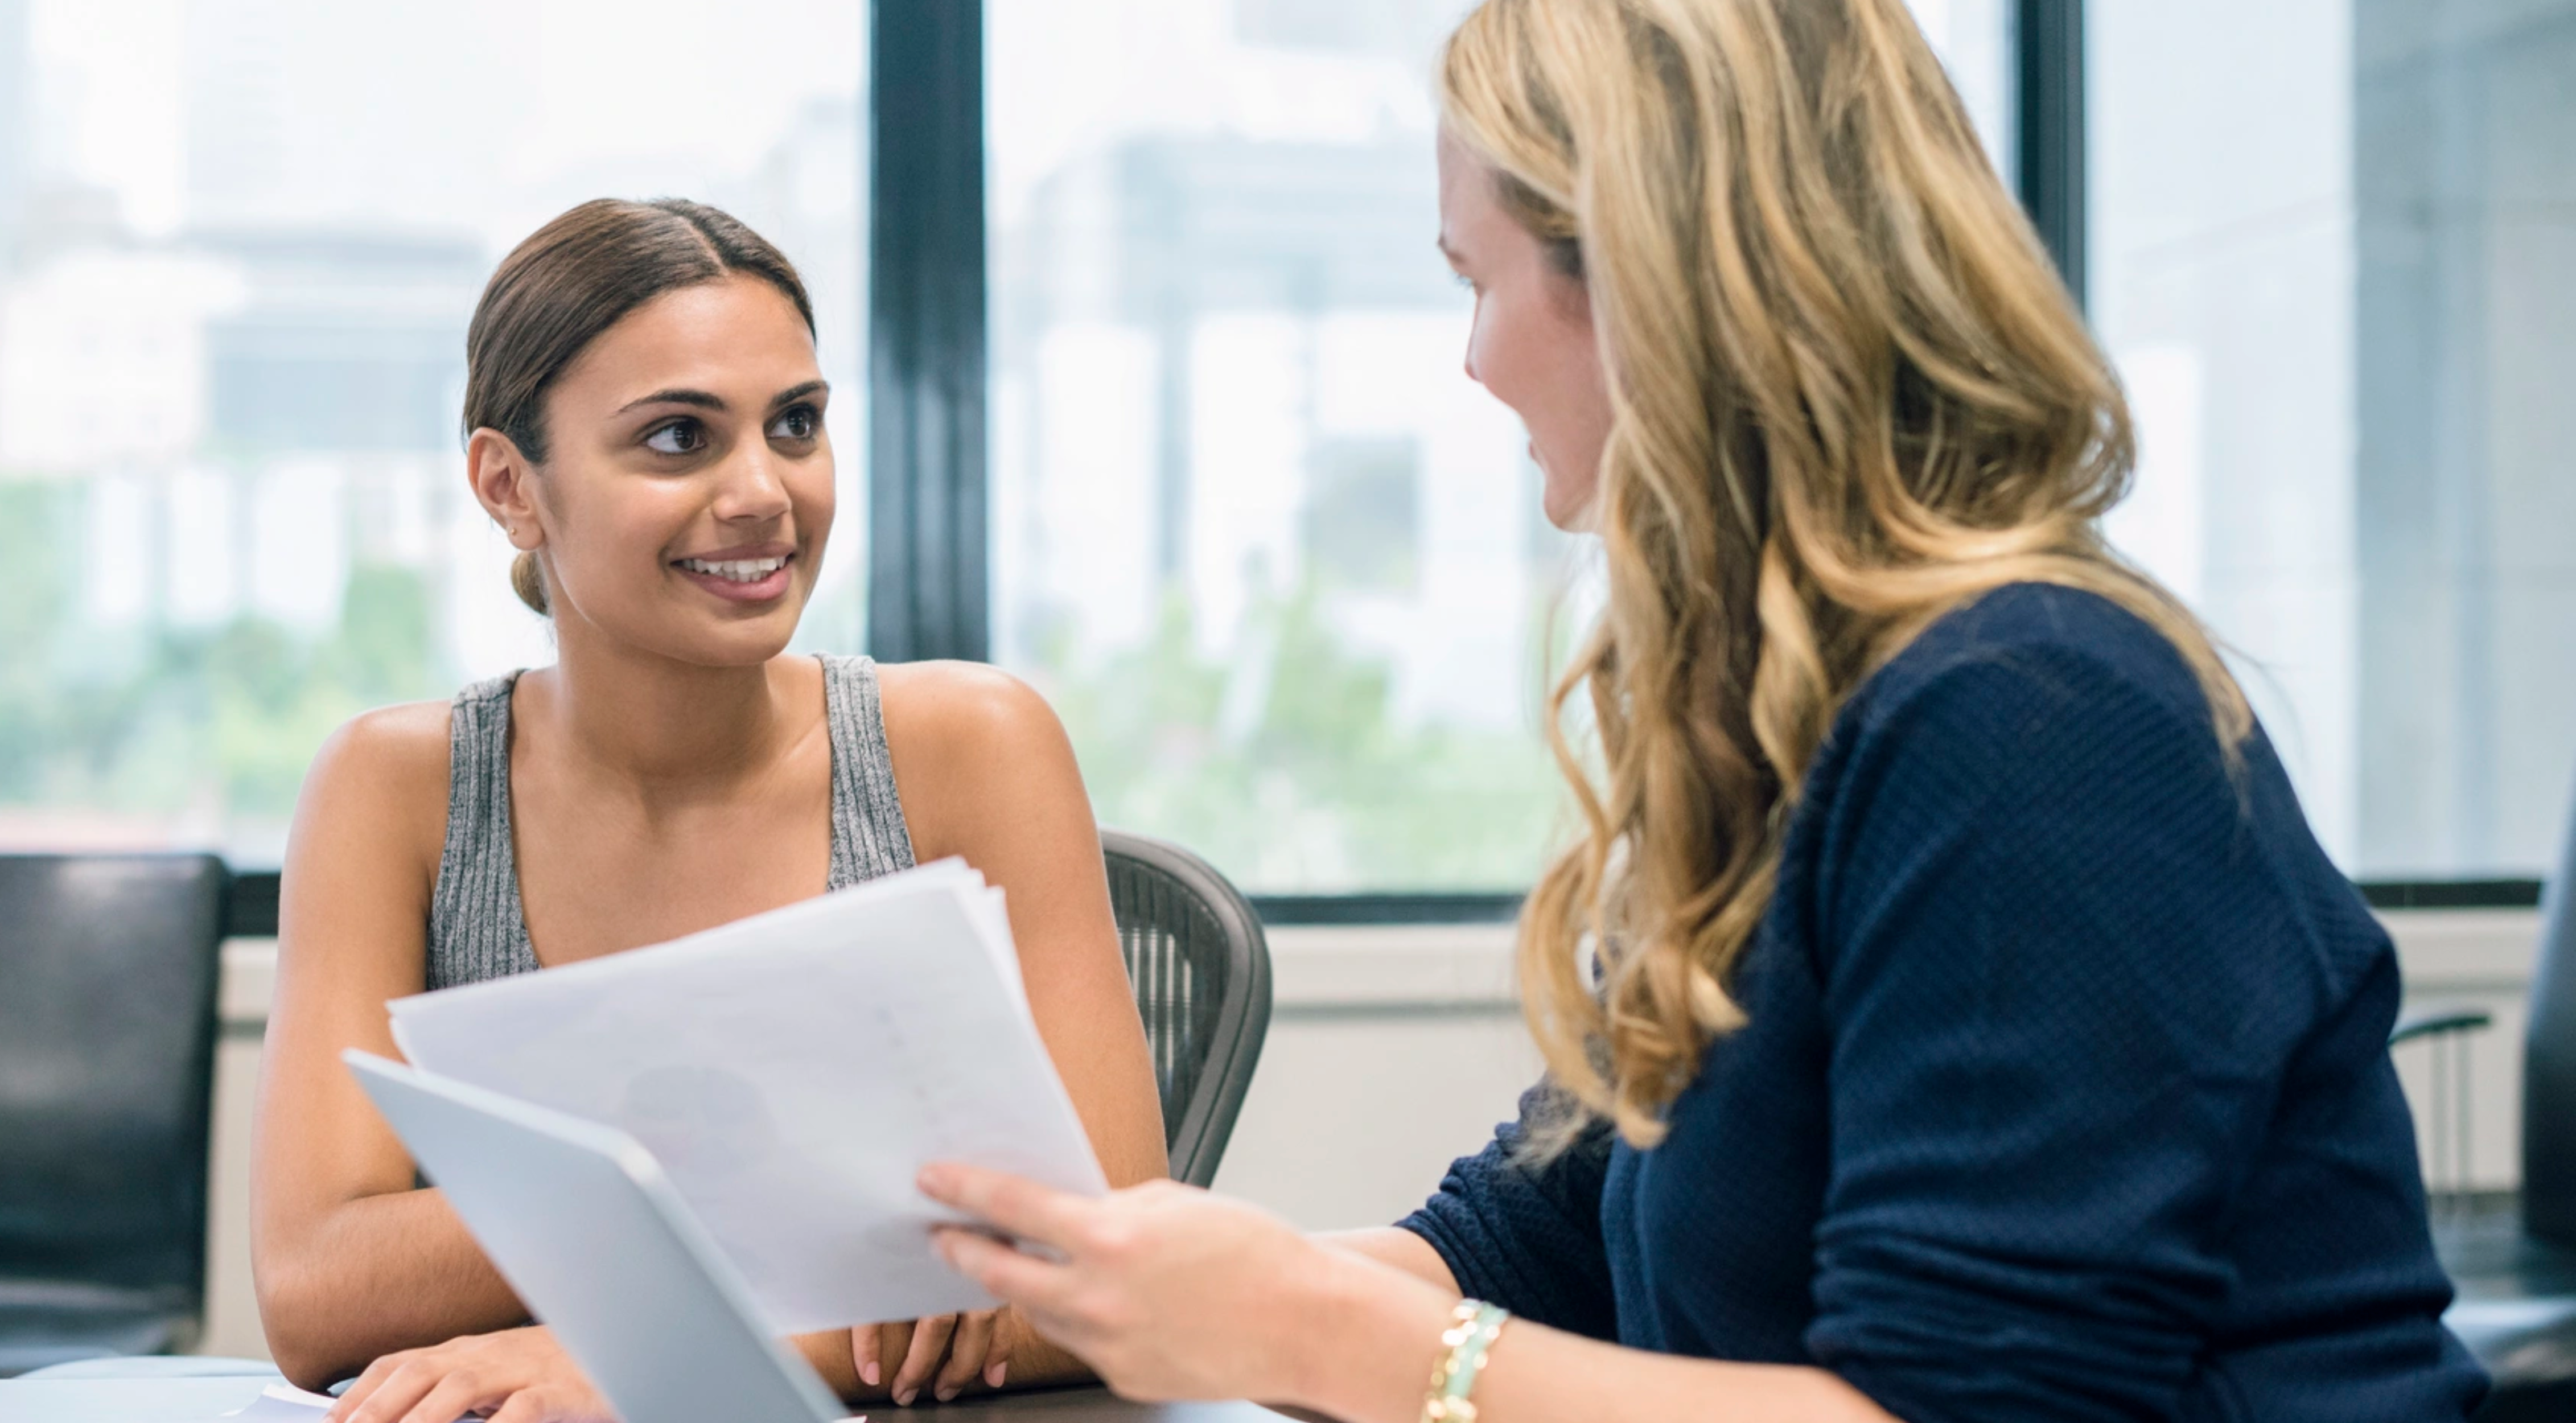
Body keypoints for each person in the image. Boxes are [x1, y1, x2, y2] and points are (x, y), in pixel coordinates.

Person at [918, 1, 2489, 1419]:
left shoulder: (2029, 718)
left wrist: (1321, 1334)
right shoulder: (1789, 707)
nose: (1471, 364)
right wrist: (1145, 1293)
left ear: (1655, 281)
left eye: (1478, 282)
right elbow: (1554, 1226)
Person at [252, 198, 1170, 1418]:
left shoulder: (973, 745)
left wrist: (644, 1357)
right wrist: (780, 1193)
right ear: (510, 486)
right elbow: (317, 1290)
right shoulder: (393, 789)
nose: (763, 492)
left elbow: (1120, 1265)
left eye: (796, 423)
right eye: (679, 437)